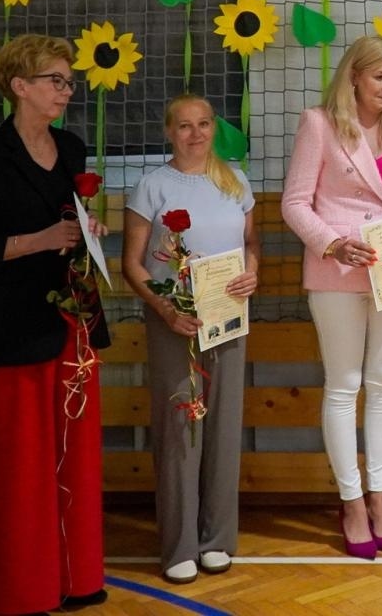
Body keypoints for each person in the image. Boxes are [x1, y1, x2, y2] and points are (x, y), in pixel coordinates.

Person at [0, 34, 112, 614]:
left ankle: (77, 579)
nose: (66, 91)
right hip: (11, 327)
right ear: (19, 85)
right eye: (55, 80)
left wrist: (90, 230)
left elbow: (71, 221)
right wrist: (36, 241)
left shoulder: (71, 147)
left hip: (72, 319)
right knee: (20, 466)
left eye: (69, 82)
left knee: (76, 457)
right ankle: (22, 592)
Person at [282, 35, 382, 560]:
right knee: (343, 386)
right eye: (380, 77)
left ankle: (380, 502)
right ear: (355, 77)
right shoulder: (318, 123)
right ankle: (352, 505)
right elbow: (295, 203)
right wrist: (334, 243)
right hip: (338, 273)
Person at [122, 95, 260, 584]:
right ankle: (178, 545)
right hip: (174, 323)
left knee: (224, 425)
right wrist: (164, 309)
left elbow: (250, 245)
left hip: (228, 320)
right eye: (184, 125)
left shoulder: (236, 180)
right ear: (168, 131)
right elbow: (132, 264)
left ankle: (216, 538)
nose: (195, 134)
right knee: (180, 427)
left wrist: (253, 272)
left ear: (214, 128)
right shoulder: (152, 186)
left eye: (203, 124)